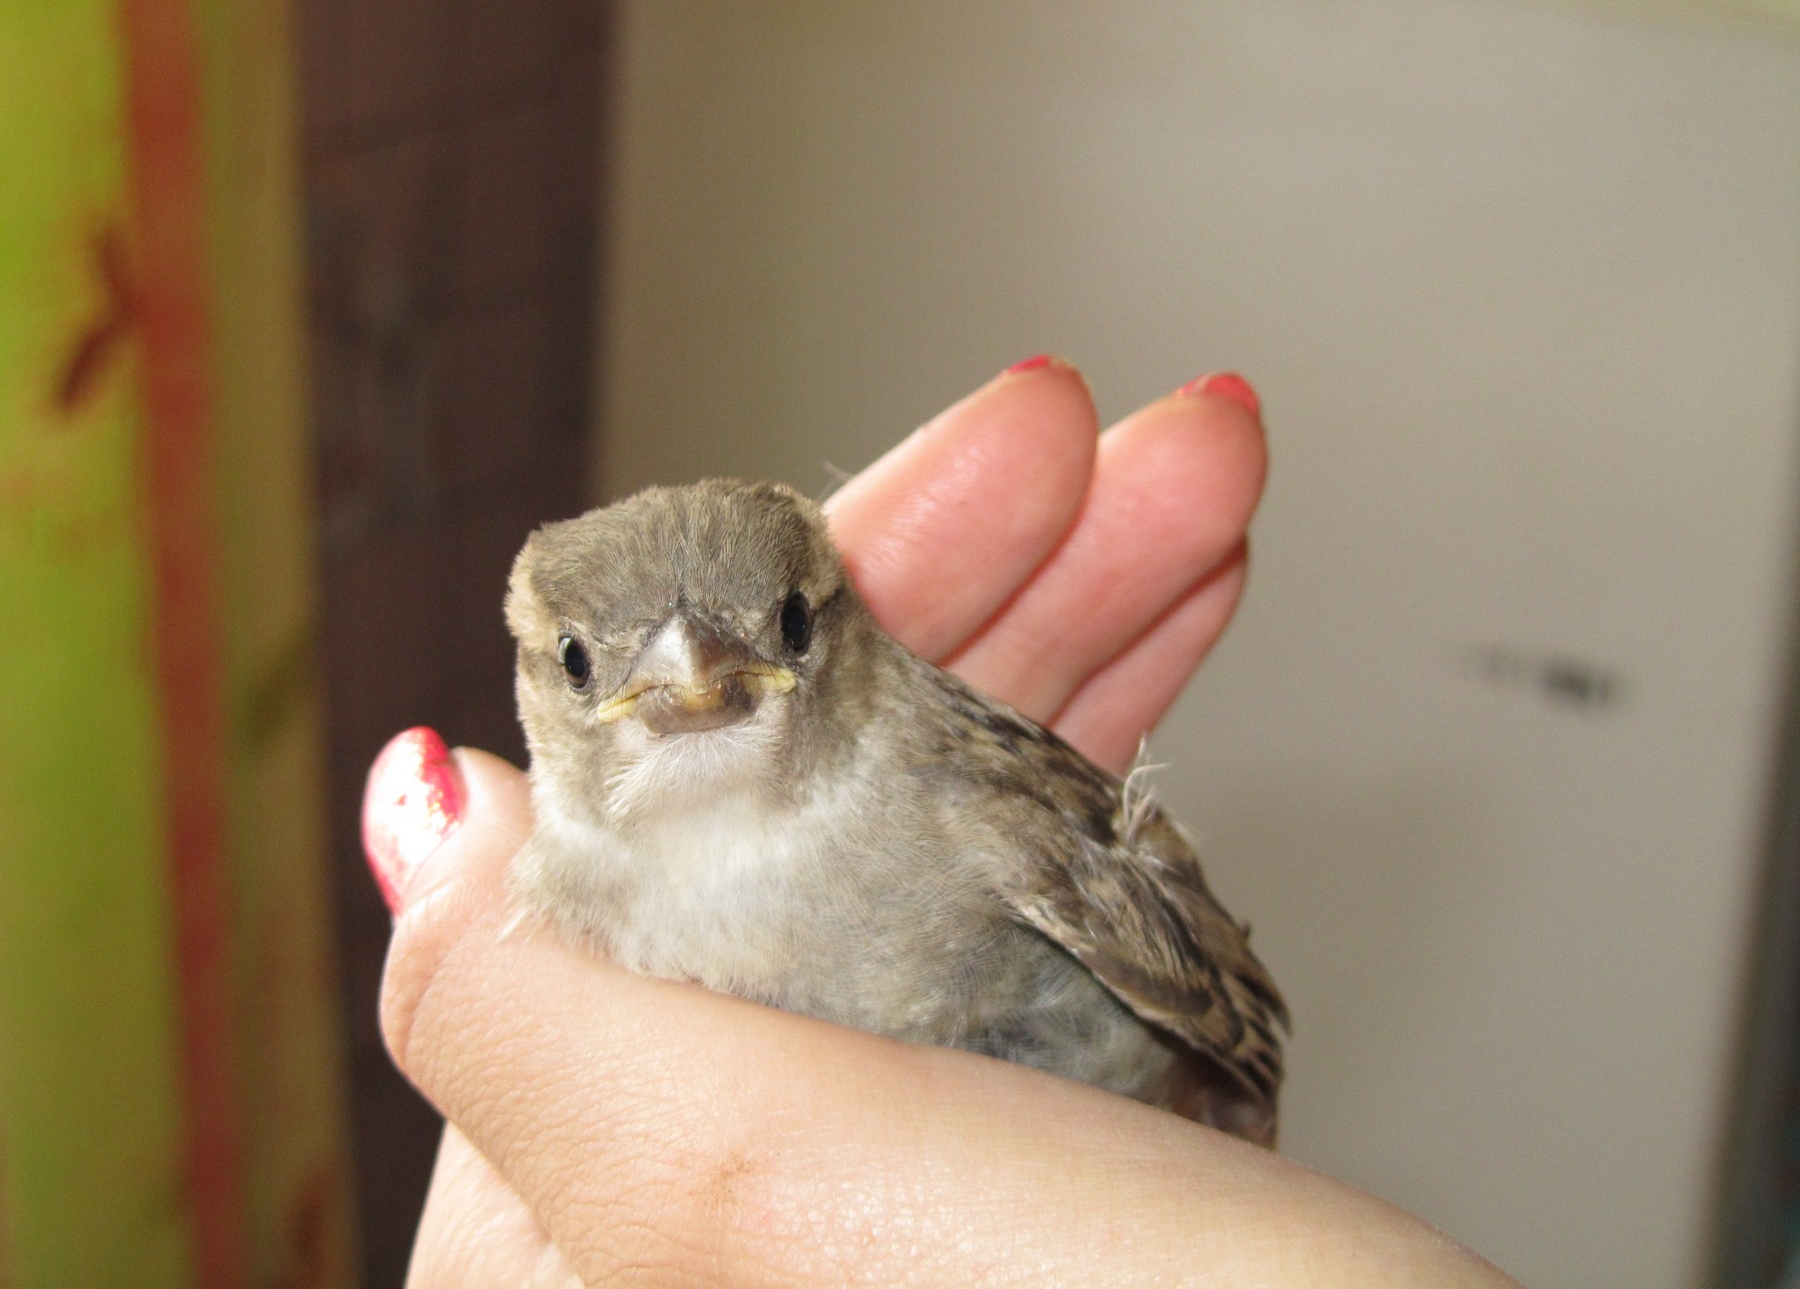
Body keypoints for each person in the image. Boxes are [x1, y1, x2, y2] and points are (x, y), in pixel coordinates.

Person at [365, 358, 1518, 1286]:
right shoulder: (556, 908)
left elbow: (1232, 1023)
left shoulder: (982, 824)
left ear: (828, 629)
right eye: (582, 661)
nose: (693, 678)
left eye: (782, 634)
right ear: (536, 673)